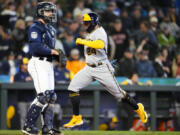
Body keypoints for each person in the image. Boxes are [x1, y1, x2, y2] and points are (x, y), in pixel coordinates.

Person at [63, 12, 148, 128]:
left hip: (101, 68)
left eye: (87, 23)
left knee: (119, 94)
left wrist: (83, 41)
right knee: (73, 87)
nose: (85, 25)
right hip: (89, 67)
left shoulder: (100, 32)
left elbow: (99, 44)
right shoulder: (90, 33)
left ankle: (138, 108)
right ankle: (76, 118)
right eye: (84, 23)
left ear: (93, 23)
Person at [21, 2, 63, 135]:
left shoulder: (51, 29)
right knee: (43, 96)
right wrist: (54, 52)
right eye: (48, 11)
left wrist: (57, 56)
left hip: (49, 64)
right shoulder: (35, 27)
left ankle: (47, 128)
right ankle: (28, 126)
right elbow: (36, 48)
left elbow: (49, 49)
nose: (51, 14)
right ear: (40, 12)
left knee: (51, 97)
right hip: (38, 62)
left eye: (52, 11)